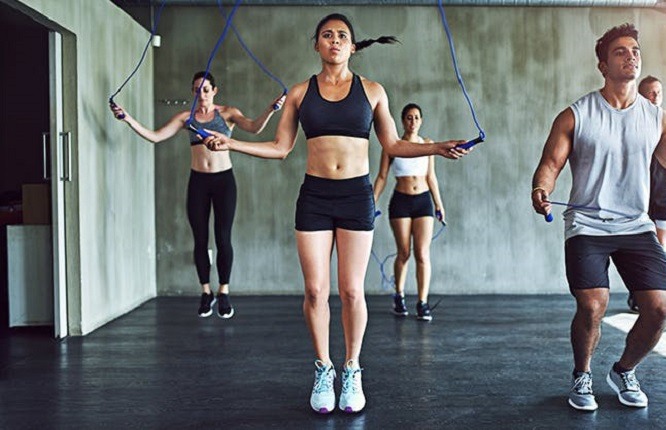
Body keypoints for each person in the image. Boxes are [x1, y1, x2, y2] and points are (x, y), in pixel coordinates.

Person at [203, 13, 467, 414]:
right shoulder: (298, 93)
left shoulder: (373, 91)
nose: (334, 41)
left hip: (356, 196)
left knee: (351, 291)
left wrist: (436, 147)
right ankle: (324, 367)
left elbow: (393, 145)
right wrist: (232, 145)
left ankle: (352, 368)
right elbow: (280, 147)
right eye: (327, 35)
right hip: (315, 197)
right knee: (314, 291)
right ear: (316, 45)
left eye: (342, 35)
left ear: (353, 46)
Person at [531, 23, 666, 412]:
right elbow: (550, 163)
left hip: (636, 225)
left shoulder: (657, 118)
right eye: (620, 51)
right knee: (593, 304)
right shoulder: (576, 114)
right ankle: (582, 374)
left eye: (635, 50)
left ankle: (624, 369)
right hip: (587, 225)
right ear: (602, 65)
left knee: (659, 308)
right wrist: (541, 189)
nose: (631, 56)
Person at [110, 71, 285, 319]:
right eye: (196, 89)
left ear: (214, 90)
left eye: (206, 89)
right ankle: (206, 292)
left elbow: (255, 128)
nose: (201, 93)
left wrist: (270, 109)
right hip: (198, 182)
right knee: (200, 239)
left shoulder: (228, 114)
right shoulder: (186, 118)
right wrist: (128, 118)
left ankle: (223, 291)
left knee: (223, 238)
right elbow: (155, 136)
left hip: (224, 181)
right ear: (192, 92)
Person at [372, 103, 446, 321]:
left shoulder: (428, 144)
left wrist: (439, 204)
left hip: (423, 202)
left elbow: (431, 176)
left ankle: (423, 302)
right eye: (408, 118)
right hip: (401, 202)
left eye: (416, 118)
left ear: (421, 121)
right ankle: (399, 295)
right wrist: (371, 201)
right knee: (403, 252)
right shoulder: (392, 145)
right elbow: (382, 176)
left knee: (422, 253)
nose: (412, 122)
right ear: (402, 121)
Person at [627, 75, 666, 313]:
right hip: (637, 206)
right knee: (642, 254)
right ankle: (639, 293)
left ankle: (645, 297)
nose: (655, 97)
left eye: (659, 93)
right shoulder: (632, 125)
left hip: (662, 202)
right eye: (650, 93)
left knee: (660, 250)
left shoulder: (665, 125)